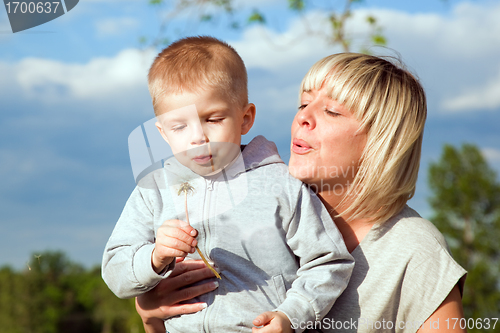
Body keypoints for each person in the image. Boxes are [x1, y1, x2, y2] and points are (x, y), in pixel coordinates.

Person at [135, 52, 467, 333]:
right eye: (304, 103)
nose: (303, 117)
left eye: (332, 111)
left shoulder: (414, 250)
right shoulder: (257, 215)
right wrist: (152, 314)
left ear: (382, 142)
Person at [102, 36, 354, 333]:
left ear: (245, 118)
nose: (198, 137)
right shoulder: (153, 191)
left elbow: (328, 262)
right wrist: (155, 257)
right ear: (163, 133)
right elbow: (116, 271)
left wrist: (291, 316)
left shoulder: (281, 185)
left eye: (213, 119)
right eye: (179, 126)